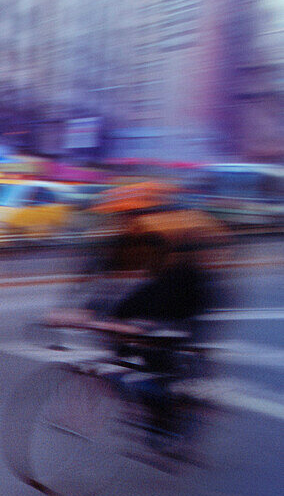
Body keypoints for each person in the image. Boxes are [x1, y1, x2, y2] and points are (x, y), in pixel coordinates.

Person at [50, 182, 227, 451]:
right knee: (119, 338)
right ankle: (144, 399)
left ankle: (171, 411)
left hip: (189, 297)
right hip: (154, 289)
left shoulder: (177, 233)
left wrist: (149, 325)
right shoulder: (124, 237)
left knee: (159, 353)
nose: (125, 222)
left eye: (129, 216)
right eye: (121, 217)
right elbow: (102, 276)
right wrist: (76, 310)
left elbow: (181, 291)